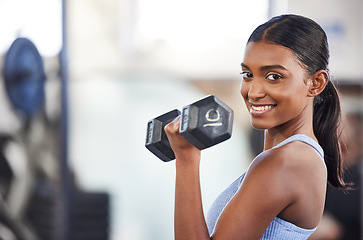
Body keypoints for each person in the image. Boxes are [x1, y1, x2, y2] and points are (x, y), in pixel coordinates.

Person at [164, 14, 350, 240]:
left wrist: (186, 158)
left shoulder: (285, 162)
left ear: (316, 83)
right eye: (248, 75)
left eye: (274, 76)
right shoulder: (299, 157)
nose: (253, 92)